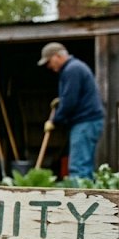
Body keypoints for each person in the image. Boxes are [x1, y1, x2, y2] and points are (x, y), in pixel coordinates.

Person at [38, 42, 105, 179]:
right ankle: (88, 198)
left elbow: (70, 101)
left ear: (57, 56)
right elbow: (72, 96)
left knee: (78, 167)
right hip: (89, 121)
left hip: (85, 122)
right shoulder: (75, 67)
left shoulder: (71, 70)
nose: (49, 66)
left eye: (49, 62)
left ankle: (80, 200)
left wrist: (54, 120)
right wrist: (61, 100)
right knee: (84, 166)